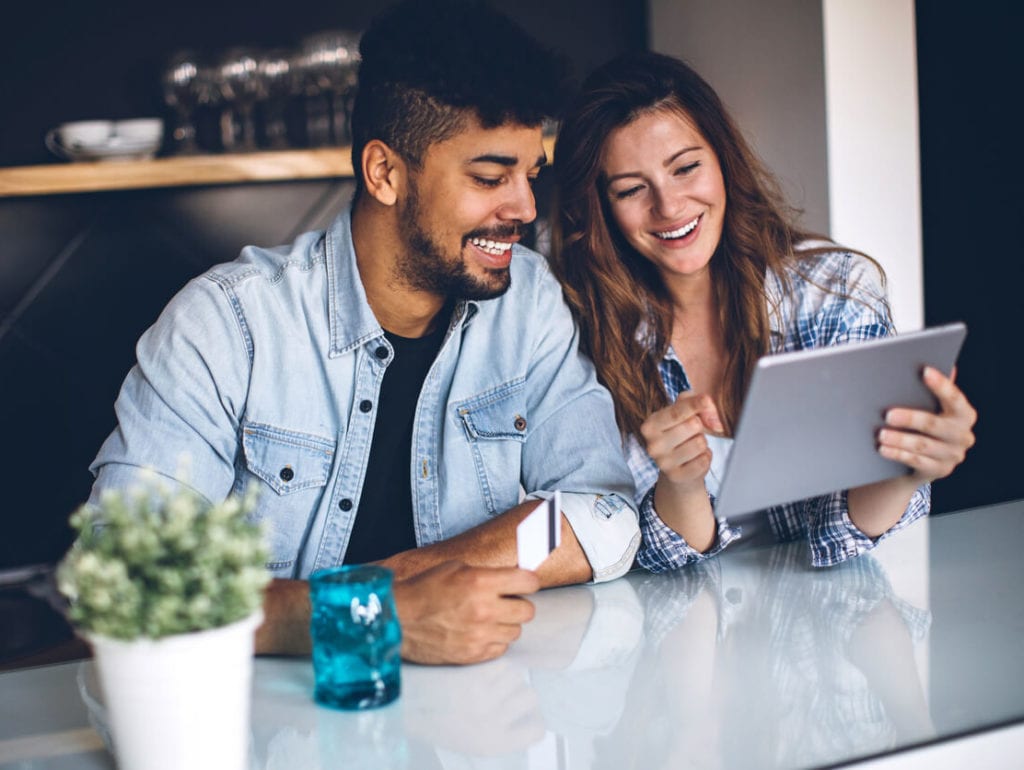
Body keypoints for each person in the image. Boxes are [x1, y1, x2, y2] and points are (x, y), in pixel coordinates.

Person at [87, 0, 640, 664]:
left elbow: (598, 510)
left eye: (530, 176)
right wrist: (371, 617)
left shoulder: (527, 302)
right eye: (490, 178)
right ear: (385, 173)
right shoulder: (226, 327)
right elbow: (126, 582)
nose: (523, 207)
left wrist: (404, 579)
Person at [549, 51, 976, 571]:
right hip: (680, 640)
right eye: (632, 190)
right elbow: (637, 558)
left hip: (836, 628)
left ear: (723, 161)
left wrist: (908, 469)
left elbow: (845, 533)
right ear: (601, 208)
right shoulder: (578, 335)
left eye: (686, 168)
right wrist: (680, 486)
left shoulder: (834, 291)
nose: (669, 206)